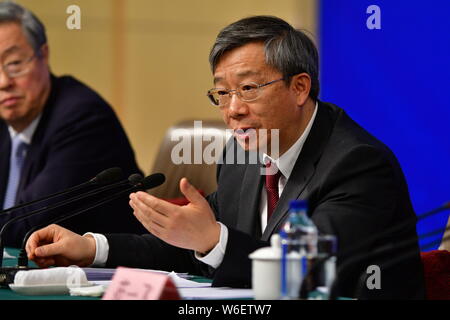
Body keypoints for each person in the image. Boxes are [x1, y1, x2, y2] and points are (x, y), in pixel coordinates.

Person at [26, 15, 425, 299]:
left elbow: (306, 273)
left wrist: (213, 239)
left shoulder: (357, 164)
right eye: (222, 93)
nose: (232, 110)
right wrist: (92, 247)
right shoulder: (241, 151)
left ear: (300, 87)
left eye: (248, 89)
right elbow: (189, 245)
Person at [0, 2, 147, 248]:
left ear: (43, 55)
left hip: (100, 275)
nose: (3, 81)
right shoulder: (6, 120)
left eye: (14, 64)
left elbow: (28, 223)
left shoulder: (83, 117)